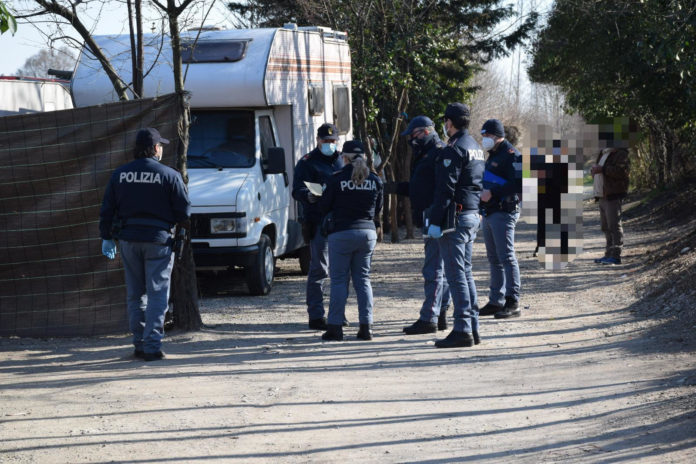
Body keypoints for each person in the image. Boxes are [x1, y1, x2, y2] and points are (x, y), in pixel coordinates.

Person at [99, 128, 191, 361]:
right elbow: (184, 212)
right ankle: (152, 347)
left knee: (135, 295)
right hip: (159, 240)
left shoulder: (120, 174)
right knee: (157, 294)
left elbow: (107, 210)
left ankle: (138, 344)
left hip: (129, 240)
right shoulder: (169, 174)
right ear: (155, 148)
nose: (161, 149)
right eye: (160, 145)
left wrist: (106, 236)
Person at [426, 103, 485, 348]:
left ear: (449, 122)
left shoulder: (454, 149)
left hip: (455, 218)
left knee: (455, 274)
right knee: (466, 271)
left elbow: (445, 189)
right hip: (471, 214)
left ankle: (462, 329)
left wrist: (435, 221)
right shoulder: (475, 147)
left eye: (445, 122)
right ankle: (472, 326)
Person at [388, 115, 452, 334]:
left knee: (434, 268)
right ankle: (440, 313)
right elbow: (419, 187)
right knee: (438, 267)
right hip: (430, 214)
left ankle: (430, 318)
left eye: (414, 135)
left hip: (436, 216)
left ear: (426, 132)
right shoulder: (427, 153)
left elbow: (443, 189)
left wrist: (436, 217)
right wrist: (394, 188)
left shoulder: (439, 153)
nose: (411, 140)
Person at [319, 140, 383, 341]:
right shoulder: (374, 179)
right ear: (364, 156)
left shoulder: (336, 179)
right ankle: (366, 327)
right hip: (367, 233)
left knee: (338, 281)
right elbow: (378, 209)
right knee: (363, 280)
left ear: (344, 158)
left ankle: (335, 328)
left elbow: (324, 206)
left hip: (342, 233)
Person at [292, 123, 344, 330]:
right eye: (325, 141)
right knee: (319, 270)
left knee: (340, 272)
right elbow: (296, 190)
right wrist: (308, 196)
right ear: (318, 140)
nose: (329, 144)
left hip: (341, 223)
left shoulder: (342, 160)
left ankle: (337, 314)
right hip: (318, 221)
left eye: (333, 141)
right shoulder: (307, 162)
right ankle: (316, 315)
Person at [478, 119, 523, 319]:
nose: (484, 140)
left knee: (506, 256)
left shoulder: (512, 155)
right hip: (489, 211)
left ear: (497, 136)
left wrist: (493, 193)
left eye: (487, 136)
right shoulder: (493, 154)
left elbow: (520, 184)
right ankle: (496, 301)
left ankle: (513, 301)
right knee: (494, 259)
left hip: (504, 211)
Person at [591, 145, 630, 264]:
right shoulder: (603, 152)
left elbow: (622, 172)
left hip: (613, 194)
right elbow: (600, 171)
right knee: (606, 227)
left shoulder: (621, 153)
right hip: (602, 195)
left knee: (614, 225)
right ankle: (608, 254)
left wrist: (602, 169)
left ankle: (616, 256)